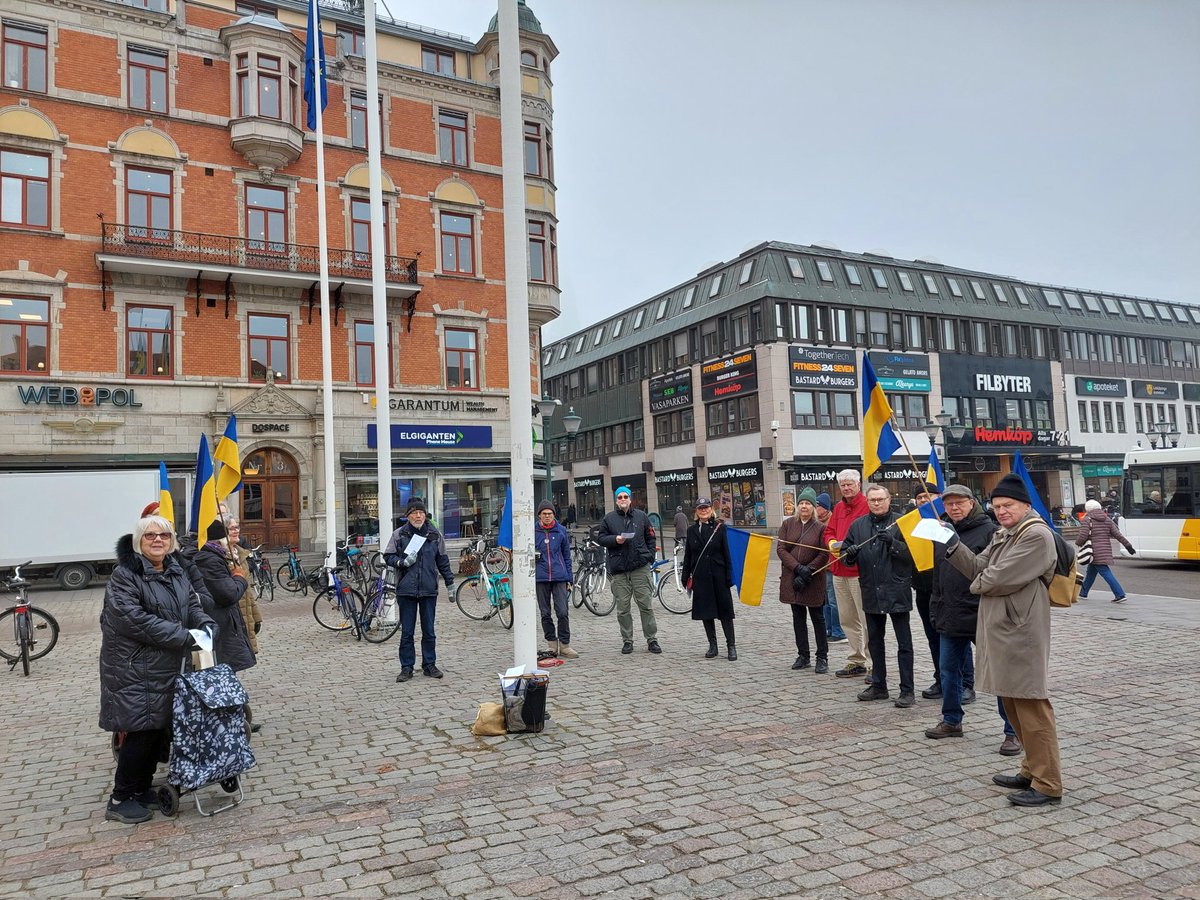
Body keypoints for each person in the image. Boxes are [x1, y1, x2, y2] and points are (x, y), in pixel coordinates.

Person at [945, 473, 1063, 807]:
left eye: (1008, 505)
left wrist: (979, 582)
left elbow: (995, 578)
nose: (1001, 511)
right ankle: (1031, 768)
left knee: (1031, 705)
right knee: (1013, 702)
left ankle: (1049, 782)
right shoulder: (1005, 533)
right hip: (1005, 628)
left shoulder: (1036, 535)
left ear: (1026, 505)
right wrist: (951, 545)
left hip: (1022, 631)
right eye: (996, 506)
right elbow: (979, 565)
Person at [99, 514, 215, 824]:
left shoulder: (175, 570)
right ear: (138, 541)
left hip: (166, 666)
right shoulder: (125, 576)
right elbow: (133, 619)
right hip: (134, 666)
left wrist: (205, 626)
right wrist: (185, 636)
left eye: (163, 535)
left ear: (171, 540)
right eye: (150, 535)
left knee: (157, 729)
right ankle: (120, 797)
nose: (157, 540)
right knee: (139, 731)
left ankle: (141, 788)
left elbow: (191, 605)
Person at [924, 484, 1003, 742]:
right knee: (948, 671)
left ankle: (1012, 731)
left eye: (959, 503)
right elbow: (938, 574)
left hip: (981, 613)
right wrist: (935, 605)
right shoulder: (942, 530)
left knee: (1000, 673)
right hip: (950, 614)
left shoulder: (989, 531)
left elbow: (992, 573)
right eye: (949, 504)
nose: (954, 508)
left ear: (972, 502)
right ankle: (951, 720)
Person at [842, 485, 916, 707]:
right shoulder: (858, 525)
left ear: (889, 499)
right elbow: (845, 555)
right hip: (871, 590)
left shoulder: (901, 522)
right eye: (872, 499)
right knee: (875, 641)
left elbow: (912, 555)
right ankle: (879, 685)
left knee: (904, 643)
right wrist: (850, 554)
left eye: (880, 499)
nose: (876, 503)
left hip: (896, 589)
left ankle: (907, 690)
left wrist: (893, 544)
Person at [384, 499, 453, 682]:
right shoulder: (399, 534)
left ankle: (429, 664)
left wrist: (450, 583)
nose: (418, 516)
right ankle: (406, 667)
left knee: (429, 631)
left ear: (425, 514)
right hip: (406, 590)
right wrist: (401, 562)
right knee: (407, 632)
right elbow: (388, 556)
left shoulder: (434, 534)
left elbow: (443, 561)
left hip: (428, 589)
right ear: (408, 515)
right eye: (414, 513)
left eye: (421, 512)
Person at [596, 485, 660, 655]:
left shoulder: (641, 516)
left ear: (630, 499)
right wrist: (614, 540)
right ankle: (627, 641)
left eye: (625, 497)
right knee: (623, 608)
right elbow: (600, 538)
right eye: (620, 497)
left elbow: (651, 537)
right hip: (619, 570)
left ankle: (652, 639)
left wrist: (650, 557)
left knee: (646, 605)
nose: (623, 500)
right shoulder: (609, 519)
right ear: (616, 501)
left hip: (640, 567)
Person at [192, 521, 257, 674]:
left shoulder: (213, 556)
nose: (234, 533)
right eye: (230, 530)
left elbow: (248, 599)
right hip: (219, 623)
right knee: (220, 673)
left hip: (227, 621)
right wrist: (240, 578)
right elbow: (228, 594)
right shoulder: (209, 559)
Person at [823, 469, 870, 678]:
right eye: (843, 485)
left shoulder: (867, 505)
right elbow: (829, 531)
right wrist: (831, 542)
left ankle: (872, 662)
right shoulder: (839, 507)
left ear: (858, 484)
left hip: (858, 571)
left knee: (866, 619)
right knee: (847, 618)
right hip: (838, 569)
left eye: (850, 484)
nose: (846, 488)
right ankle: (855, 659)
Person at [777, 487, 830, 673]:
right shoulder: (788, 525)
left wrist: (808, 571)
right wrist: (797, 568)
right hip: (793, 577)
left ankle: (822, 657)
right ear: (797, 506)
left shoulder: (821, 528)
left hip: (813, 579)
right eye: (801, 503)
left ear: (814, 507)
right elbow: (781, 549)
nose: (804, 506)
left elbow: (824, 554)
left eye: (808, 503)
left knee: (818, 618)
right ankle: (803, 655)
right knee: (798, 618)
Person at [681, 497, 736, 660]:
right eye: (700, 508)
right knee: (706, 613)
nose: (703, 510)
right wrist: (685, 577)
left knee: (725, 613)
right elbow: (689, 555)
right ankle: (713, 645)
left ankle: (731, 646)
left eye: (706, 507)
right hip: (701, 577)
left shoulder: (720, 528)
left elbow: (727, 553)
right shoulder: (691, 531)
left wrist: (729, 575)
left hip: (718, 576)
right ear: (696, 511)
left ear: (711, 509)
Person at [911, 483, 945, 699]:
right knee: (933, 636)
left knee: (953, 636)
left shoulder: (947, 518)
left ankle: (965, 682)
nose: (923, 500)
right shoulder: (913, 521)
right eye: (920, 498)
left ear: (938, 497)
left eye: (928, 496)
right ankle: (940, 679)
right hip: (923, 588)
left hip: (946, 589)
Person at [535, 500, 576, 659]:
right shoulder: (533, 531)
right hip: (541, 577)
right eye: (544, 514)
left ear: (554, 515)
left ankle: (565, 645)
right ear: (539, 515)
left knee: (563, 612)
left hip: (559, 576)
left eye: (550, 514)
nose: (547, 516)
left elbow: (567, 555)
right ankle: (552, 644)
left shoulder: (561, 531)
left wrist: (569, 577)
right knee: (545, 612)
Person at [1077, 498, 1135, 603]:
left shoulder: (1087, 519)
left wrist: (1078, 543)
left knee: (1105, 572)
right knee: (1091, 572)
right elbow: (1117, 534)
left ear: (1087, 509)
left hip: (1093, 551)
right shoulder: (1107, 519)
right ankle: (1083, 593)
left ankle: (1120, 594)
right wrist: (1128, 546)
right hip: (1105, 550)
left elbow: (1083, 535)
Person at [814, 492, 847, 644]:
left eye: (818, 506)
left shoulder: (832, 521)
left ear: (825, 508)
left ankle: (838, 630)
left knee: (833, 601)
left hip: (831, 567)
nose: (815, 508)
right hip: (821, 568)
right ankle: (828, 629)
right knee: (825, 601)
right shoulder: (816, 522)